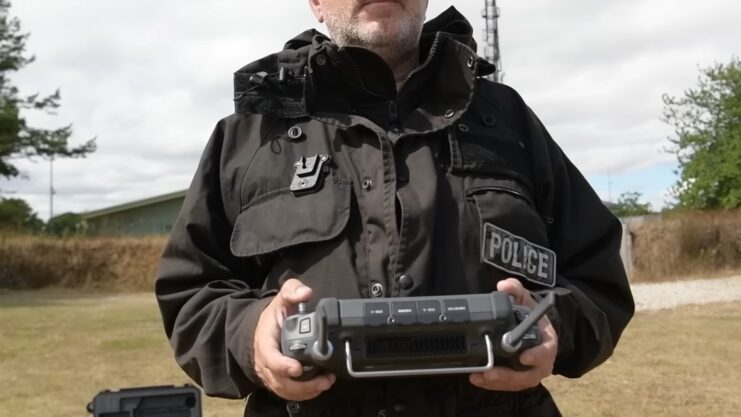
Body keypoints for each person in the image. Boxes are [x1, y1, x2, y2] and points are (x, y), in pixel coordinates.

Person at [155, 1, 634, 416]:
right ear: (316, 2)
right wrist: (250, 335)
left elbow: (596, 279)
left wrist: (552, 325)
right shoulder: (251, 135)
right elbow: (191, 293)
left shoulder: (508, 120)